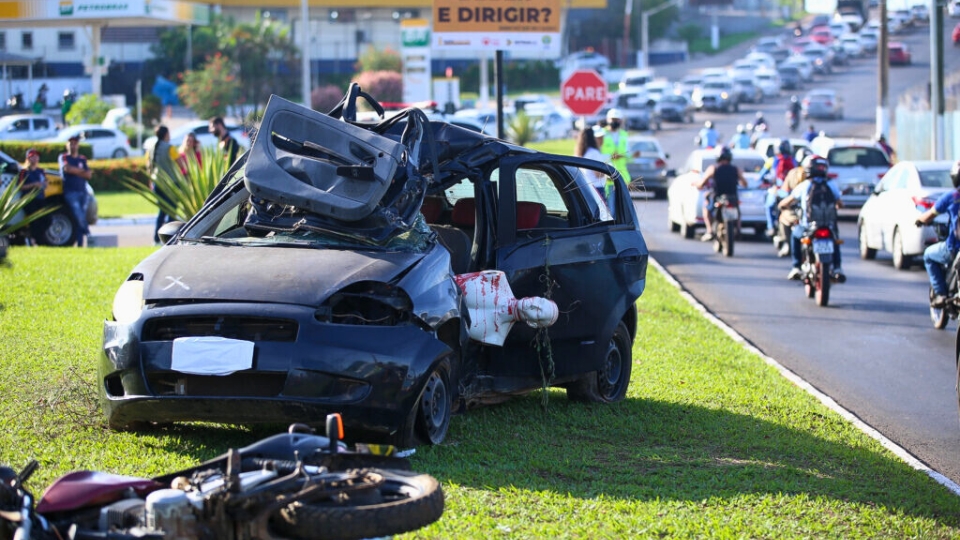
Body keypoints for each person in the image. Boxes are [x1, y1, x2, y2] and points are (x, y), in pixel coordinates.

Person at [778, 155, 844, 280]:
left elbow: (788, 201)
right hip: (829, 225)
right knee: (835, 240)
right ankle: (837, 268)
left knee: (795, 236)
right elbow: (840, 203)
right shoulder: (831, 184)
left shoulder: (805, 185)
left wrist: (781, 205)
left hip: (808, 226)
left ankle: (796, 266)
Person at [915, 160, 960, 307]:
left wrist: (920, 220)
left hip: (954, 247)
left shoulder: (952, 197)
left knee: (928, 255)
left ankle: (941, 294)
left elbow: (928, 216)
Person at [693, 147, 747, 242]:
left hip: (717, 197)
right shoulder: (735, 169)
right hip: (732, 197)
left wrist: (697, 184)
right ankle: (738, 229)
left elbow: (702, 183)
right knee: (738, 212)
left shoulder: (713, 168)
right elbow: (744, 183)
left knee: (706, 208)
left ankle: (709, 231)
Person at [148, 125, 181, 245]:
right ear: (166, 134)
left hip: (157, 182)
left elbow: (149, 167)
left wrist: (150, 182)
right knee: (172, 210)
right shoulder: (170, 148)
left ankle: (156, 239)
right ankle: (169, 237)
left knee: (161, 212)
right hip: (171, 183)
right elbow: (180, 163)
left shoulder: (151, 148)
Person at [58, 134, 92, 247]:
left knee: (79, 218)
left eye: (75, 143)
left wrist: (76, 171)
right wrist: (81, 171)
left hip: (83, 191)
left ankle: (80, 244)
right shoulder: (64, 157)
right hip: (71, 192)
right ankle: (88, 234)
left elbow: (88, 175)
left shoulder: (82, 158)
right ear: (67, 145)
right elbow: (67, 169)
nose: (73, 146)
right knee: (79, 216)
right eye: (71, 143)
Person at [600, 109, 635, 212]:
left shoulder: (624, 134)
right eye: (613, 119)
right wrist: (611, 157)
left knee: (623, 209)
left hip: (623, 177)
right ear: (608, 119)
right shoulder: (602, 134)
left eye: (617, 120)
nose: (615, 122)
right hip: (608, 177)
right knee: (611, 209)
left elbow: (628, 153)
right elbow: (599, 154)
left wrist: (627, 156)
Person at [762, 140, 798, 236]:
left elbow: (762, 175)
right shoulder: (794, 161)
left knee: (768, 206)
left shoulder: (772, 160)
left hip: (778, 190)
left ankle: (771, 227)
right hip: (791, 191)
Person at [17, 148, 48, 245]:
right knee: (34, 220)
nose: (35, 159)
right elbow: (20, 186)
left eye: (36, 156)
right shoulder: (24, 172)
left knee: (47, 219)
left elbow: (45, 183)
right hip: (29, 199)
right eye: (32, 157)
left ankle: (37, 238)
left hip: (40, 198)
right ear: (28, 158)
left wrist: (43, 184)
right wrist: (34, 184)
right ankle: (35, 240)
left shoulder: (41, 171)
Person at [574, 126, 607, 200]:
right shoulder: (594, 153)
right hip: (597, 189)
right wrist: (607, 170)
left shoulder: (579, 153)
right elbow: (598, 174)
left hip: (584, 187)